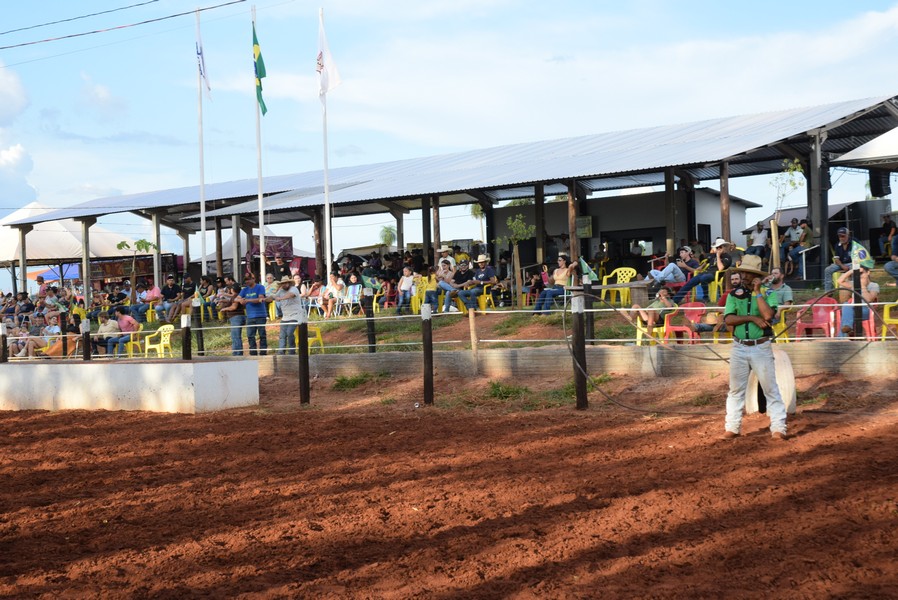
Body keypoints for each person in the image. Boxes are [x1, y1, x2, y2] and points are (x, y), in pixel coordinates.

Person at [720, 254, 788, 440]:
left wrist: (758, 292)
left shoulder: (768, 293)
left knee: (770, 388)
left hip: (761, 346)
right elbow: (729, 320)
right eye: (744, 273)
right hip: (739, 346)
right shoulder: (733, 295)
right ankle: (732, 427)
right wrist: (751, 318)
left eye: (749, 274)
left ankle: (778, 427)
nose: (745, 277)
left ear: (757, 276)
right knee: (735, 389)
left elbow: (768, 316)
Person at [672, 238, 735, 304]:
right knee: (690, 282)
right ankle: (675, 301)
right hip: (706, 272)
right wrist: (699, 268)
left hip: (715, 274)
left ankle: (705, 298)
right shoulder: (712, 255)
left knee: (703, 278)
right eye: (717, 247)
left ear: (724, 247)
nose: (718, 249)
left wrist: (718, 256)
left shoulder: (727, 257)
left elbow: (720, 268)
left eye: (720, 247)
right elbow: (705, 263)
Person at [825, 227, 872, 292]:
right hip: (841, 263)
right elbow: (836, 259)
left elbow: (861, 254)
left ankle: (856, 290)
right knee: (827, 270)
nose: (841, 238)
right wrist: (842, 266)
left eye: (843, 236)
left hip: (854, 262)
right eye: (839, 236)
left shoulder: (855, 242)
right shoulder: (837, 245)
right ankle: (828, 292)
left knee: (855, 269)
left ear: (848, 235)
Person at [837, 264, 879, 337]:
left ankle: (842, 337)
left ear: (868, 272)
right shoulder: (854, 284)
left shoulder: (874, 285)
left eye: (861, 273)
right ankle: (848, 329)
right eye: (857, 274)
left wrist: (862, 286)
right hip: (852, 309)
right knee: (846, 305)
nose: (860, 275)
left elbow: (869, 300)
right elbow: (840, 281)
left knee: (846, 314)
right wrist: (851, 271)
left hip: (865, 310)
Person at [238, 273, 269, 356]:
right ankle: (253, 352)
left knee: (262, 335)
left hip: (260, 315)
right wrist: (240, 300)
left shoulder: (260, 287)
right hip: (250, 316)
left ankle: (263, 352)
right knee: (250, 336)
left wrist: (247, 300)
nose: (247, 281)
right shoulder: (244, 290)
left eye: (248, 279)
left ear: (253, 279)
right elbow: (238, 298)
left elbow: (260, 299)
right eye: (245, 280)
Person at [272, 275, 303, 354]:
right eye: (282, 283)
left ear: (289, 283)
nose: (284, 285)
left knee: (289, 333)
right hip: (285, 316)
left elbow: (290, 295)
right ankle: (281, 351)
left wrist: (280, 298)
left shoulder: (294, 289)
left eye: (285, 283)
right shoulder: (281, 291)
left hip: (295, 315)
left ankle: (292, 351)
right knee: (282, 335)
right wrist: (264, 299)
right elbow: (274, 296)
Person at [218, 283, 245, 356]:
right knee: (235, 336)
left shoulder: (235, 296)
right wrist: (224, 301)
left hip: (236, 317)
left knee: (236, 336)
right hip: (237, 317)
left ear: (232, 290)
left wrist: (224, 308)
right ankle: (236, 352)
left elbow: (234, 307)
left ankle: (238, 353)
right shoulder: (236, 296)